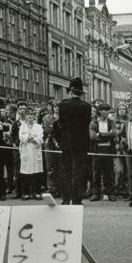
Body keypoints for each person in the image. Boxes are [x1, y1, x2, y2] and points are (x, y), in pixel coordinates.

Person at [58, 77, 91, 205]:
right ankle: (77, 198)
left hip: (66, 142)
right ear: (80, 93)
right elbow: (86, 124)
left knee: (65, 169)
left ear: (71, 91)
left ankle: (66, 198)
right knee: (79, 170)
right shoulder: (86, 106)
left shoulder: (63, 104)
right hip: (81, 143)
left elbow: (61, 123)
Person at [89, 102, 117, 202]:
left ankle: (111, 193)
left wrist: (100, 135)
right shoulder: (94, 122)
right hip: (97, 150)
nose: (106, 112)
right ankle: (96, 193)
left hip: (109, 150)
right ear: (99, 111)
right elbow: (92, 137)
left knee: (109, 172)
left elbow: (113, 134)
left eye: (107, 110)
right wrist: (106, 136)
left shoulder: (111, 122)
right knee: (96, 172)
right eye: (103, 110)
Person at [18, 108, 44, 200]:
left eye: (32, 114)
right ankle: (26, 193)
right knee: (25, 173)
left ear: (34, 116)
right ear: (26, 116)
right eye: (28, 114)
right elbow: (21, 137)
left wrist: (29, 138)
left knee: (36, 173)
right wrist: (30, 137)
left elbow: (40, 139)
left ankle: (37, 192)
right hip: (25, 152)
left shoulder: (39, 127)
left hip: (35, 151)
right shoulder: (22, 127)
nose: (30, 116)